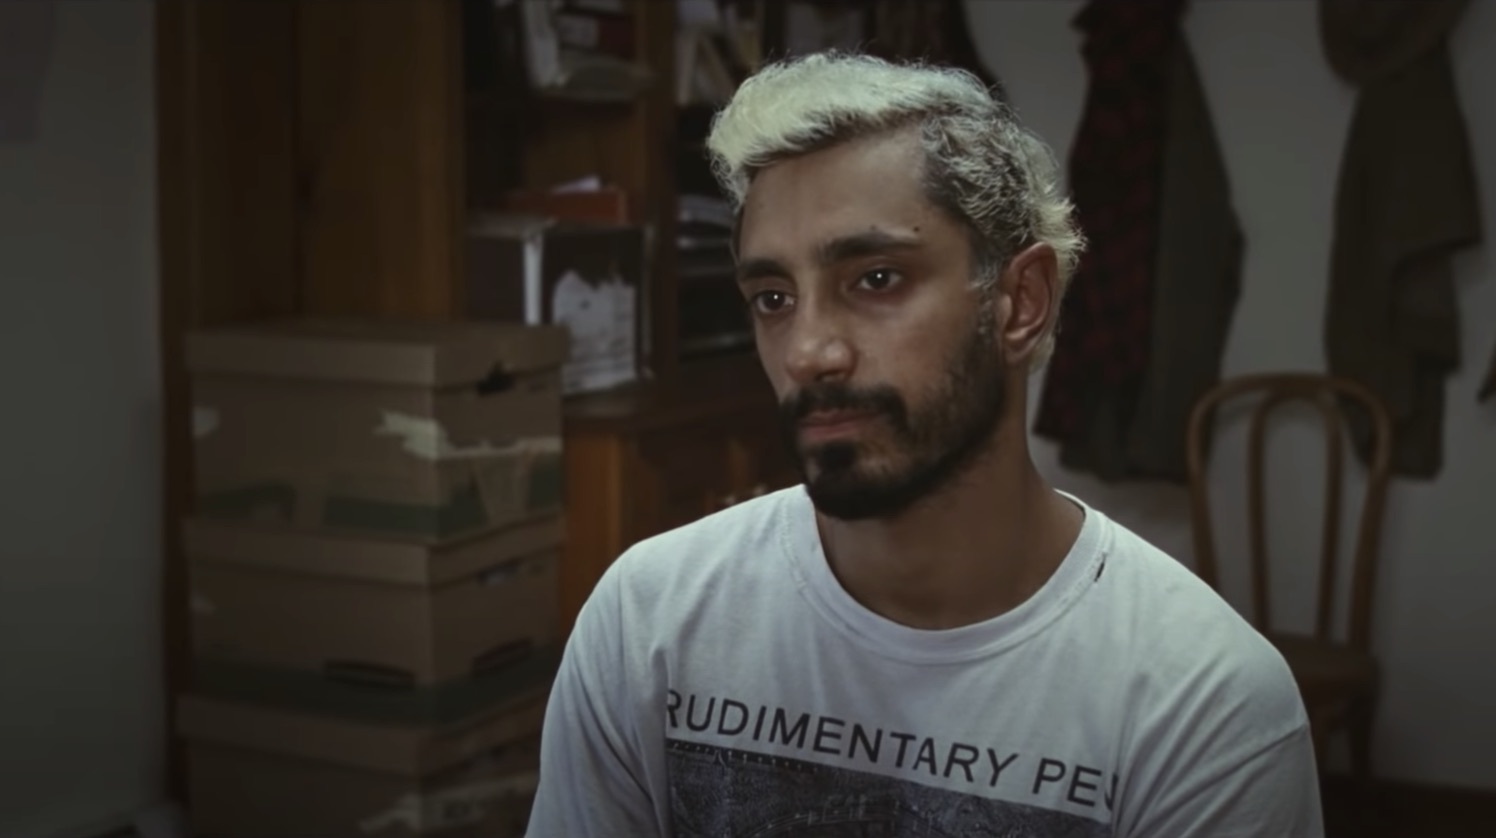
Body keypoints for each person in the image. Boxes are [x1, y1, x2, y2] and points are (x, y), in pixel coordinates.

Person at [525, 51, 1323, 838]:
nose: (808, 353)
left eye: (876, 279)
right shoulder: (651, 624)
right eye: (773, 298)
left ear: (1021, 303)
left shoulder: (1205, 707)